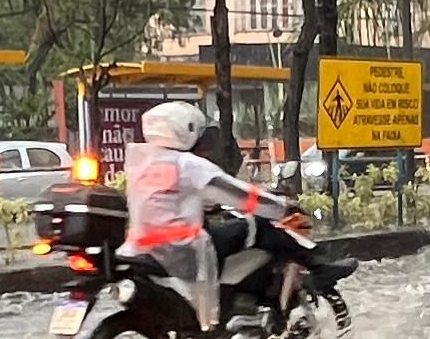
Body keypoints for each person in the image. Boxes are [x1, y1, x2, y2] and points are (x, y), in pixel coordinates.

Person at [119, 98, 305, 327]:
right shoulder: (187, 164)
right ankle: (315, 264)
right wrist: (282, 207)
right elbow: (239, 195)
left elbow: (168, 199)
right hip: (185, 251)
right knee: (259, 227)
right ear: (186, 130)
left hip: (144, 248)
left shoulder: (140, 162)